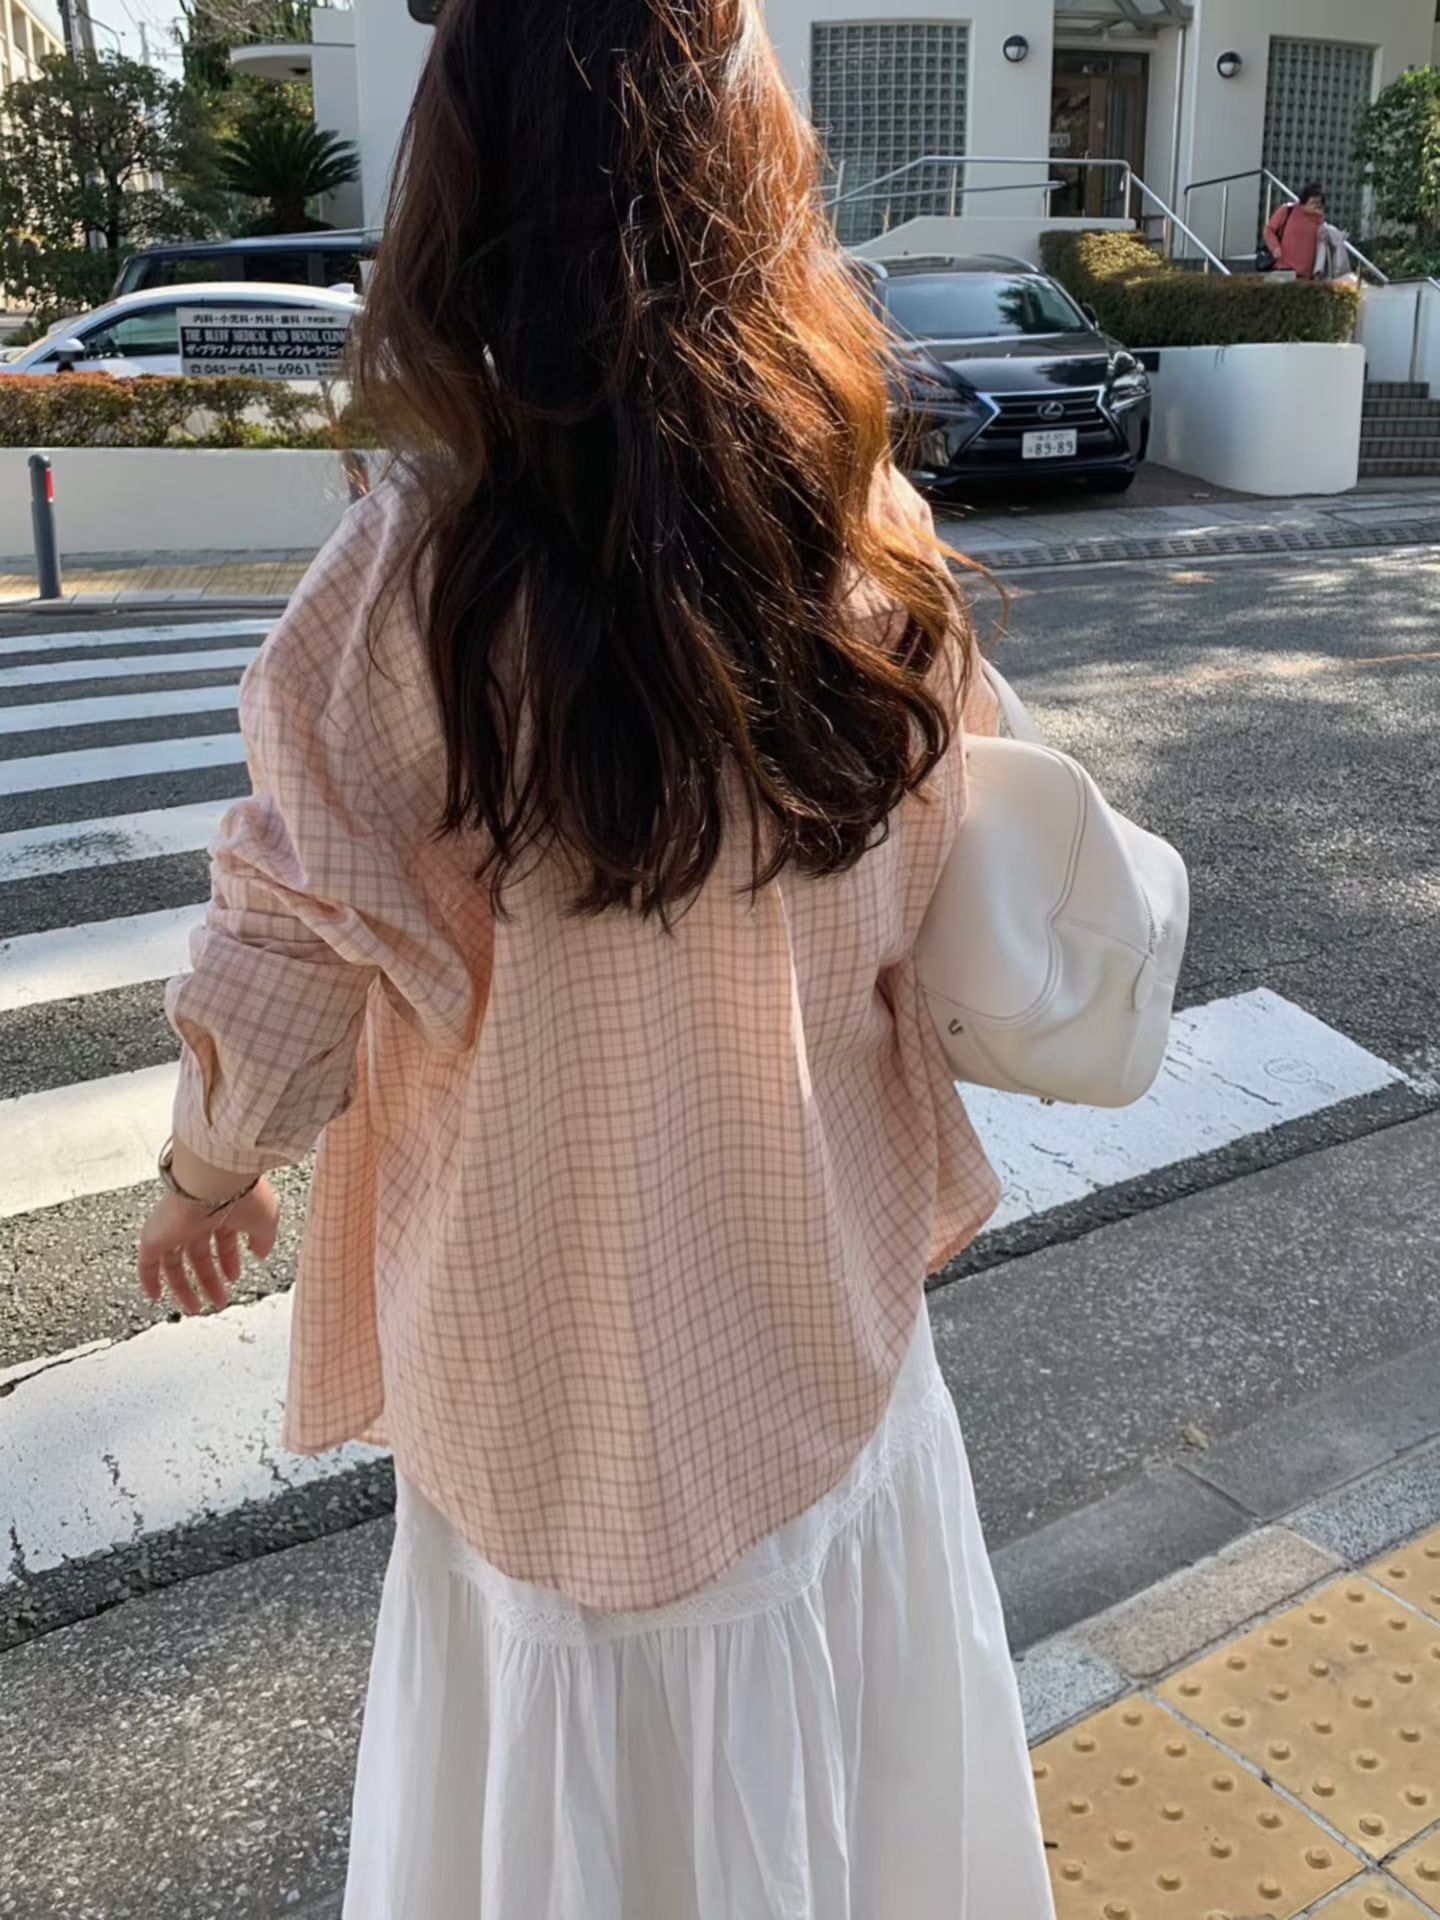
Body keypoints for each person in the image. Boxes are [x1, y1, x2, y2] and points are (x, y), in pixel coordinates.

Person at [135, 1, 1057, 1915]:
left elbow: (287, 938)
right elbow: (975, 839)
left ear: (464, 202)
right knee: (848, 1805)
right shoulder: (853, 525)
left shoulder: (410, 584)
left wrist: (206, 1171)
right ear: (755, 180)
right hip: (816, 1336)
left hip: (541, 1382)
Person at [1263, 182, 1327, 278]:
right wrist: (1275, 247)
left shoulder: (1319, 219)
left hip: (1307, 273)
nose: (1316, 206)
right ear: (1304, 201)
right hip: (1284, 267)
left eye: (1319, 203)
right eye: (1313, 202)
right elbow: (1269, 230)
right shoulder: (1287, 210)